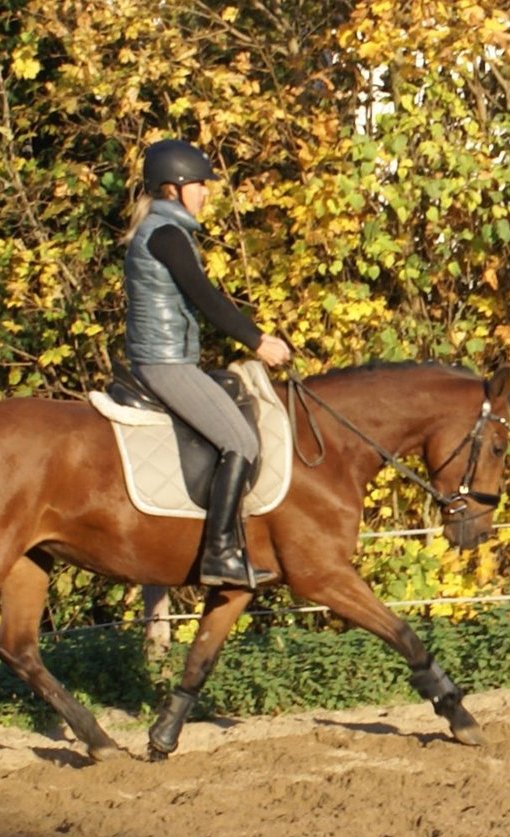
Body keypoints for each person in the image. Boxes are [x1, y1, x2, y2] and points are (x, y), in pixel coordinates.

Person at [122, 138, 292, 588]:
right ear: (174, 189)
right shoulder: (166, 235)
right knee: (242, 442)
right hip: (165, 364)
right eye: (199, 185)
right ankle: (220, 554)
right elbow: (205, 299)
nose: (206, 194)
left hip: (171, 360)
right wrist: (258, 342)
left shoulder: (164, 232)